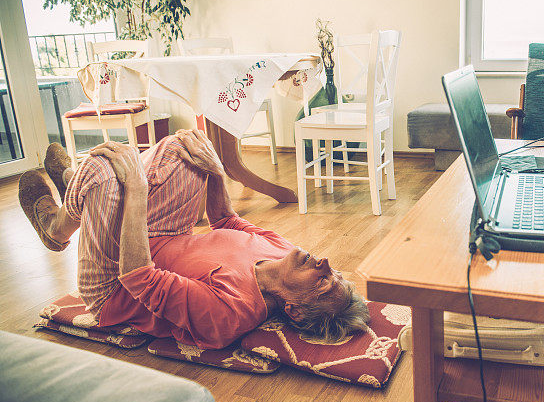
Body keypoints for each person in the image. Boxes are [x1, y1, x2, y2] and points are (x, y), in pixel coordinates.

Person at [18, 130, 369, 349]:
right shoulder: (282, 251)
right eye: (334, 271)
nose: (324, 264)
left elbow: (138, 277)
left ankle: (57, 226)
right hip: (164, 233)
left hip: (113, 284)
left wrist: (137, 189)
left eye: (323, 282)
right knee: (184, 147)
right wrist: (215, 169)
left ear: (291, 307)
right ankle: (75, 188)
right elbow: (225, 220)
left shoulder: (231, 314)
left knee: (102, 174)